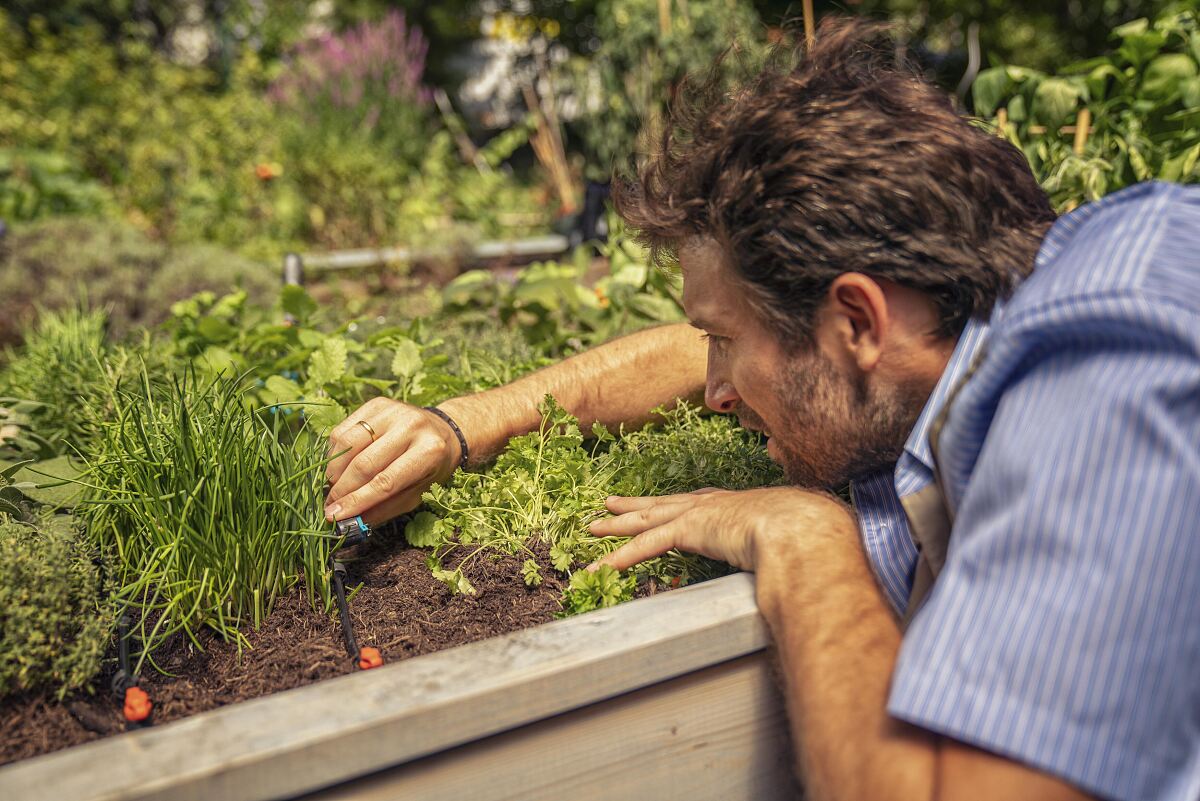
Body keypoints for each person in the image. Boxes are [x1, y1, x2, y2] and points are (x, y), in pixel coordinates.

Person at [322, 18, 1200, 801]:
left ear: (855, 319)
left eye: (727, 341)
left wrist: (803, 539)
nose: (712, 389)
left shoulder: (1107, 372)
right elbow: (681, 351)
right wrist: (460, 423)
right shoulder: (936, 348)